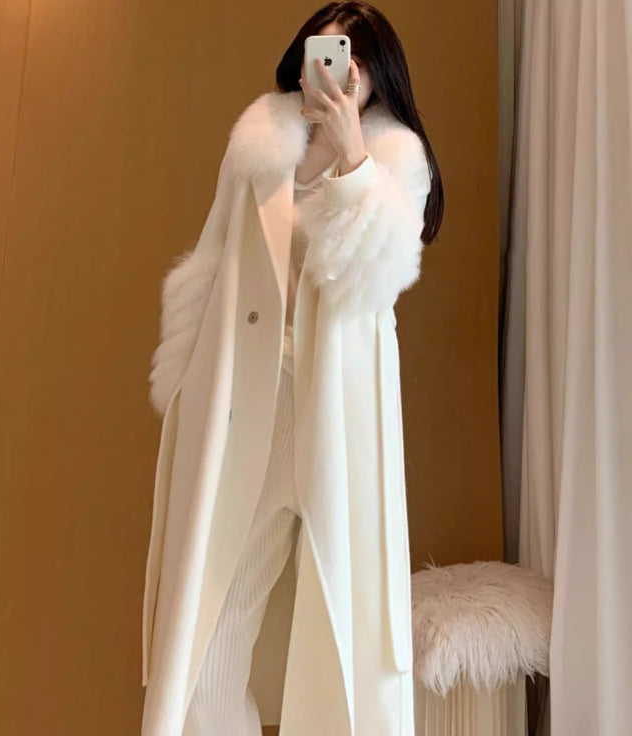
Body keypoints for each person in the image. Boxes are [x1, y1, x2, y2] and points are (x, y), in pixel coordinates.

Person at [141, 2, 444, 735]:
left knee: (347, 644)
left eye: (357, 57)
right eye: (328, 49)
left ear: (379, 74)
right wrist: (184, 386)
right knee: (205, 642)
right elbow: (210, 262)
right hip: (243, 408)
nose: (341, 69)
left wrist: (351, 162)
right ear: (305, 58)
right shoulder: (259, 142)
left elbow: (377, 282)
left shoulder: (396, 159)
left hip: (336, 418)